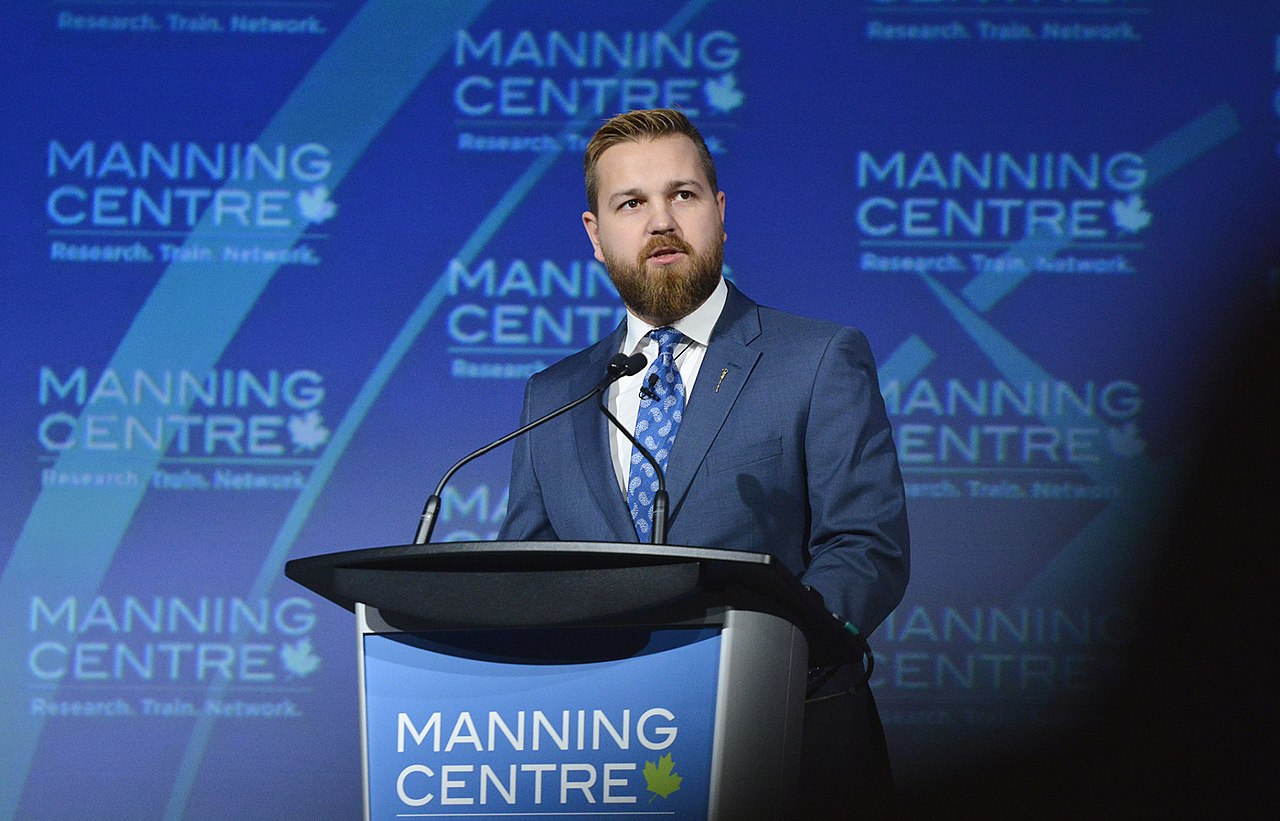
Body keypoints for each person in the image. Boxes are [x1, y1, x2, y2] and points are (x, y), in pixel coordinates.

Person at [498, 108, 910, 816]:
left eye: (682, 195)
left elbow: (865, 546)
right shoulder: (555, 395)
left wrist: (767, 661)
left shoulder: (816, 359)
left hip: (787, 743)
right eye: (632, 202)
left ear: (719, 214)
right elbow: (527, 569)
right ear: (597, 236)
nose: (661, 221)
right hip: (604, 761)